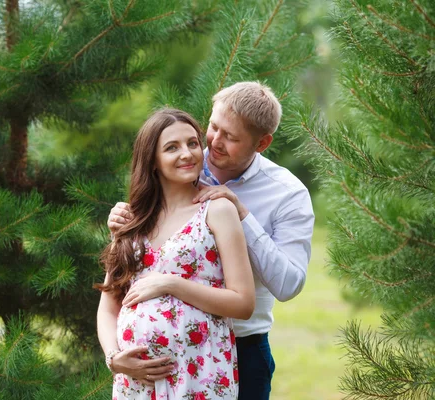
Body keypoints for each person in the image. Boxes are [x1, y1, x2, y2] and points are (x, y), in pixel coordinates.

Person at [107, 82, 315, 399]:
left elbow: (289, 285)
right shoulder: (184, 161)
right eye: (214, 127)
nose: (213, 144)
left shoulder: (287, 194)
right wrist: (123, 221)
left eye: (230, 137)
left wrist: (242, 215)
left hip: (237, 348)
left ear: (262, 143)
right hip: (147, 373)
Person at [96, 108, 256, 399]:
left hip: (199, 376)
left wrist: (171, 283)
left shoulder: (217, 210)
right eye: (172, 147)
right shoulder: (131, 220)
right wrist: (114, 359)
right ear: (153, 161)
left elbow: (243, 302)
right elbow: (109, 304)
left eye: (193, 143)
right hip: (136, 384)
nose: (187, 154)